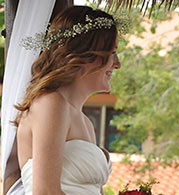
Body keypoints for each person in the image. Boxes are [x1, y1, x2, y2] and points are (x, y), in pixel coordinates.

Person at [14, 5, 122, 195]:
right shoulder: (50, 103)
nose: (118, 64)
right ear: (86, 54)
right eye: (112, 52)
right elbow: (45, 192)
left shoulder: (85, 122)